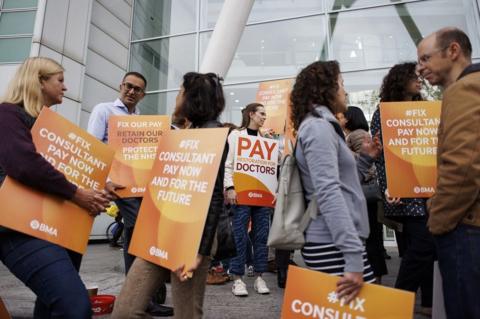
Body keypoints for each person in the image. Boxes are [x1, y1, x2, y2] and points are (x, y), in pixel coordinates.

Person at [0, 57, 111, 318]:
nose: (65, 87)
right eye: (60, 80)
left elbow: (60, 172)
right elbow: (24, 164)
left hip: (55, 227)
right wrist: (78, 193)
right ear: (39, 81)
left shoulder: (44, 125)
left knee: (51, 307)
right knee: (74, 305)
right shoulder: (7, 114)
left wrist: (100, 185)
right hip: (18, 228)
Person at [112, 72, 228, 319]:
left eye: (179, 92)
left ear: (192, 98)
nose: (176, 97)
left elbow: (214, 197)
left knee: (187, 313)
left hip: (192, 237)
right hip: (160, 230)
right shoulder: (183, 132)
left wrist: (199, 251)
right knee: (125, 310)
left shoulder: (213, 134)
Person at [87, 72, 173, 317]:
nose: (132, 91)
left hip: (141, 186)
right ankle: (141, 298)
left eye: (138, 89)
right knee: (140, 232)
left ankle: (138, 297)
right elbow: (93, 147)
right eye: (129, 86)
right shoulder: (104, 110)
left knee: (137, 234)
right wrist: (104, 181)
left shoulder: (140, 121)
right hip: (119, 185)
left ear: (143, 94)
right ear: (120, 86)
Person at [290, 60, 375, 304]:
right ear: (325, 89)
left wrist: (365, 161)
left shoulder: (322, 126)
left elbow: (343, 185)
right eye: (341, 84)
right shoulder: (318, 128)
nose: (345, 91)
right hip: (333, 245)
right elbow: (328, 192)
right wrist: (353, 257)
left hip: (334, 242)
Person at [417, 27, 480, 318]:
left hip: (465, 229)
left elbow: (463, 168)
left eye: (426, 58)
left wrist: (437, 220)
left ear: (453, 51)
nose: (420, 68)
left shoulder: (465, 89)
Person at [370, 62, 435, 315]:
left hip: (428, 188)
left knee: (427, 247)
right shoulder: (383, 112)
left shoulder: (426, 110)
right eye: (413, 77)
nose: (419, 81)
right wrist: (389, 188)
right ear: (400, 80)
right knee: (422, 245)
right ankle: (396, 303)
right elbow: (382, 156)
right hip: (404, 192)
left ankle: (429, 302)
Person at [224, 102, 273, 297]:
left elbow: (274, 164)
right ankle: (237, 278)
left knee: (261, 235)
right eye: (261, 113)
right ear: (251, 114)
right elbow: (229, 164)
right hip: (242, 193)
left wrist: (271, 143)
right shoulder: (236, 135)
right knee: (239, 234)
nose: (264, 117)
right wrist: (230, 187)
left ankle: (259, 276)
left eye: (265, 114)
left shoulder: (265, 138)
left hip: (262, 194)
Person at [343, 106, 388, 284]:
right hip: (362, 193)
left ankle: (375, 277)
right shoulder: (354, 135)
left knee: (371, 239)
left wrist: (345, 154)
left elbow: (367, 165)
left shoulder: (358, 134)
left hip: (364, 194)